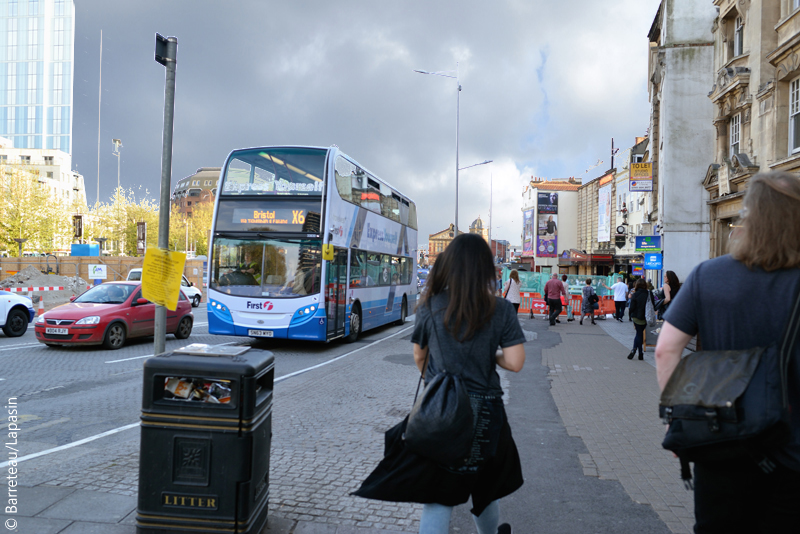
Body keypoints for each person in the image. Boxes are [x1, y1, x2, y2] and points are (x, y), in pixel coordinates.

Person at [655, 172, 800, 533]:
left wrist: (678, 418)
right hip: (793, 451)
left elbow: (665, 350)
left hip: (719, 440)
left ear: (749, 217)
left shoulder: (708, 275)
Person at [410, 233, 527, 533]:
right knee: (484, 485)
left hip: (441, 409)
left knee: (438, 494)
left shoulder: (430, 306)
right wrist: (492, 354)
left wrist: (438, 384)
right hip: (486, 411)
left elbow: (419, 358)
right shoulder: (499, 309)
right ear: (484, 269)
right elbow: (515, 362)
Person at [627, 279, 651, 361]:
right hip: (646, 317)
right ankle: (640, 353)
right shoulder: (649, 294)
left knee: (638, 333)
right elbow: (653, 305)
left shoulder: (635, 294)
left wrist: (630, 315)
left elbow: (632, 307)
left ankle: (635, 350)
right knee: (639, 333)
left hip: (636, 317)